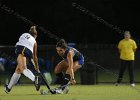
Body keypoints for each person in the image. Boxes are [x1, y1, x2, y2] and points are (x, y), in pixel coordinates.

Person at [4, 26, 40, 93]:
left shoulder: (24, 34)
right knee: (18, 69)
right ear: (35, 35)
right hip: (28, 52)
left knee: (22, 68)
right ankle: (8, 88)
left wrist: (36, 68)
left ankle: (34, 79)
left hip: (21, 48)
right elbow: (34, 56)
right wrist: (37, 67)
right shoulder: (35, 41)